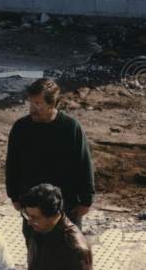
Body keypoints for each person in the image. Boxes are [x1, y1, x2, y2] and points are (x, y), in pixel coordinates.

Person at [5, 79, 95, 230]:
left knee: (69, 251)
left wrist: (86, 200)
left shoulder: (71, 128)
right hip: (32, 207)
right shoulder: (21, 128)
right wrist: (14, 196)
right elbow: (12, 165)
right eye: (31, 103)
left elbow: (83, 165)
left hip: (66, 206)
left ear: (52, 104)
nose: (32, 108)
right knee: (36, 251)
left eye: (38, 103)